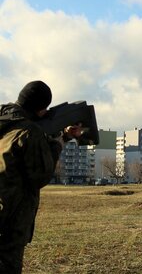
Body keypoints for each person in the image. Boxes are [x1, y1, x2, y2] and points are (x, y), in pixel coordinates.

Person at [0, 80, 81, 273]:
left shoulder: (6, 121)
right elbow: (40, 175)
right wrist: (57, 144)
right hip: (9, 219)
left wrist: (63, 136)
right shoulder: (29, 132)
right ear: (40, 109)